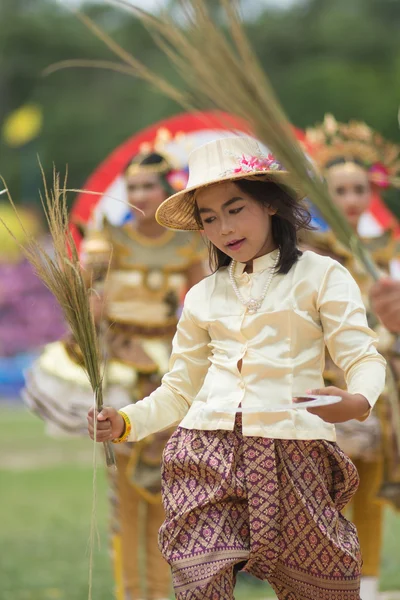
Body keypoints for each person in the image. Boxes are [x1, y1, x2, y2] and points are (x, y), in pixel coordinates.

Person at [88, 136, 386, 600]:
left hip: (296, 452)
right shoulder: (204, 295)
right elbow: (179, 390)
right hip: (205, 452)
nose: (223, 227)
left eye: (234, 209)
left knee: (324, 588)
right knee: (198, 582)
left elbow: (362, 355)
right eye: (208, 218)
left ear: (269, 203)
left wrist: (357, 400)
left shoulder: (323, 276)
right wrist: (125, 421)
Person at [24, 145, 207, 600]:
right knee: (125, 499)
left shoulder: (188, 243)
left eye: (149, 187)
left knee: (167, 494)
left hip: (169, 369)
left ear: (169, 191)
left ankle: (161, 593)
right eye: (133, 188)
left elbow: (206, 301)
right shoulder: (109, 239)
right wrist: (89, 302)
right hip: (123, 369)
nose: (141, 195)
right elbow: (85, 288)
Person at [302, 114, 400, 600]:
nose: (351, 200)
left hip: (380, 380)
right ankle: (330, 582)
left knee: (377, 483)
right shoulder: (312, 252)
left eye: (358, 189)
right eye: (339, 191)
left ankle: (371, 585)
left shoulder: (389, 246)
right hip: (325, 378)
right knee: (325, 488)